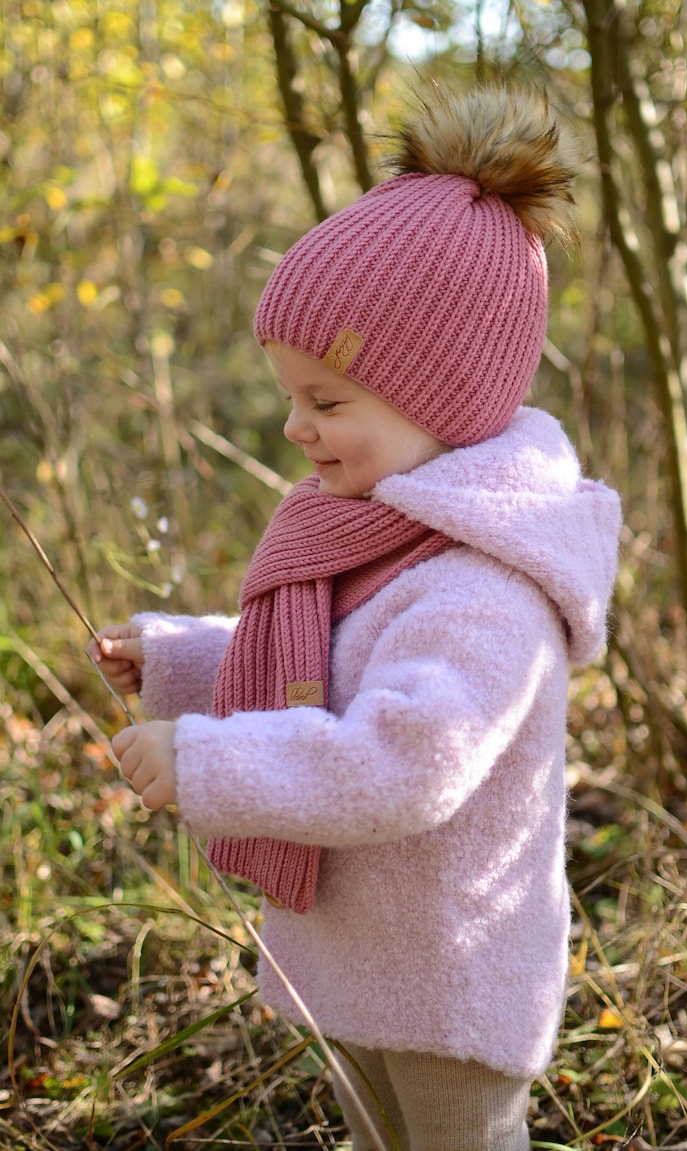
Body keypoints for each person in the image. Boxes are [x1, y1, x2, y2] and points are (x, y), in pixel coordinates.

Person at [88, 78, 621, 1151]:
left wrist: (207, 760)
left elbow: (402, 758)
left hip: (446, 977)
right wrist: (188, 660)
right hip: (358, 956)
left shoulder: (483, 583)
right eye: (288, 394)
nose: (295, 426)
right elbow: (331, 663)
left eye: (326, 402)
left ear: (446, 396)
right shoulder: (383, 529)